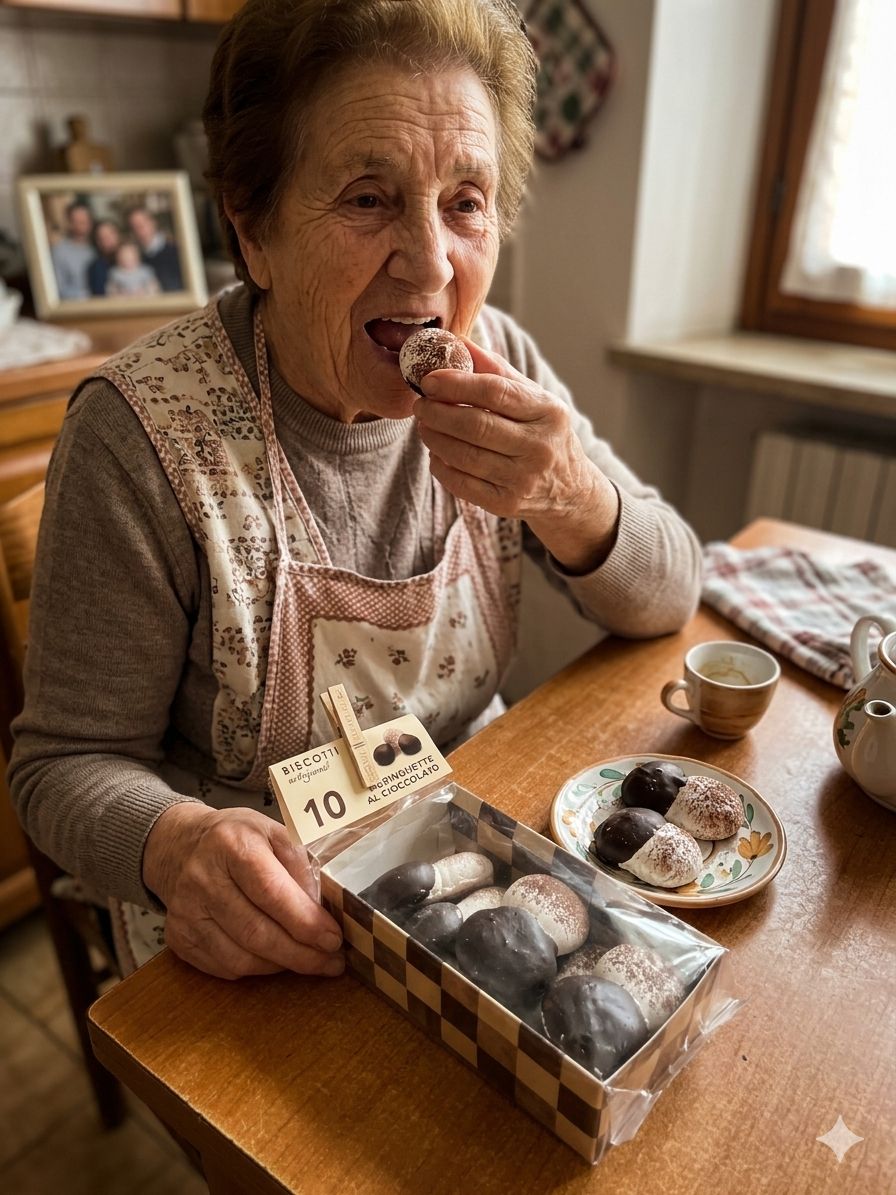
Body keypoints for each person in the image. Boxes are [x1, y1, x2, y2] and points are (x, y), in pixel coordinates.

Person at [10, 0, 702, 983]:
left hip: (474, 870)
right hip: (265, 927)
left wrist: (569, 494)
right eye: (369, 198)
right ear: (252, 232)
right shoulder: (142, 436)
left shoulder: (498, 360)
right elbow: (60, 767)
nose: (429, 264)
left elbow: (674, 588)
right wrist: (179, 848)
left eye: (464, 201)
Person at [125, 206, 183, 291]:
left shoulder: (175, 249)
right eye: (135, 225)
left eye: (143, 222)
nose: (140, 228)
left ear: (153, 222)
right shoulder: (133, 257)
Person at [49, 200, 95, 300]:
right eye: (78, 220)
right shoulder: (59, 251)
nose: (84, 223)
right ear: (70, 223)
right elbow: (59, 289)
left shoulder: (99, 244)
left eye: (86, 219)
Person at [87, 220, 123, 296]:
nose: (108, 239)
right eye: (103, 237)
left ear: (118, 235)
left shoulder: (136, 257)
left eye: (111, 234)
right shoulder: (97, 268)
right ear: (98, 243)